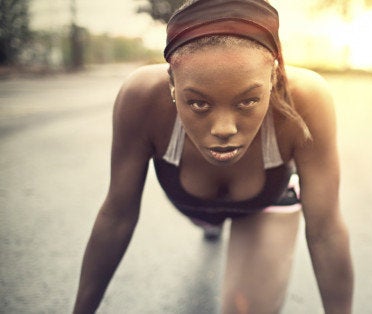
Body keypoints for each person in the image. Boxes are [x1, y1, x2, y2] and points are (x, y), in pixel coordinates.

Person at [72, 0, 353, 313]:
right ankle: (211, 224)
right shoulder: (141, 97)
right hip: (196, 209)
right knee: (209, 222)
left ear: (272, 80)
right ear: (172, 84)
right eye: (199, 104)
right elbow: (117, 214)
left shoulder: (307, 98)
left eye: (247, 101)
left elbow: (325, 230)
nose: (224, 129)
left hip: (265, 205)